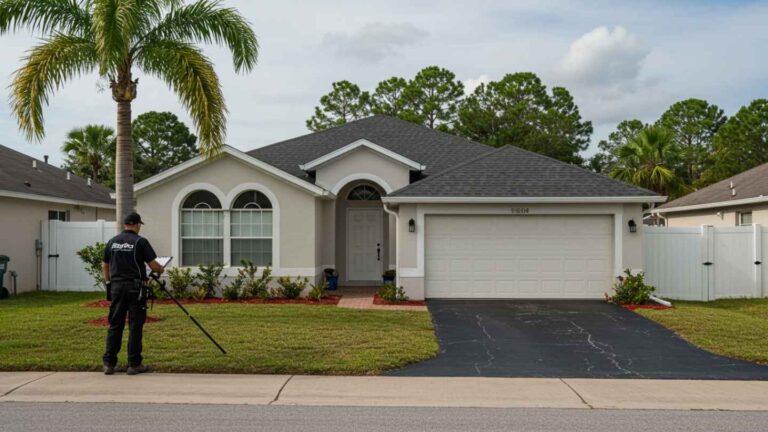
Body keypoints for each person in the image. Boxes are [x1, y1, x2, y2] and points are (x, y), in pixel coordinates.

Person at [101, 212, 164, 375]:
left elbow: (105, 265)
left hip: (116, 287)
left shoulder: (112, 242)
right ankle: (134, 363)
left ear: (124, 225)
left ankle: (109, 363)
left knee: (115, 324)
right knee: (135, 325)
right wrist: (161, 268)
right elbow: (153, 264)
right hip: (135, 288)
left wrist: (109, 283)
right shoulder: (140, 242)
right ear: (137, 225)